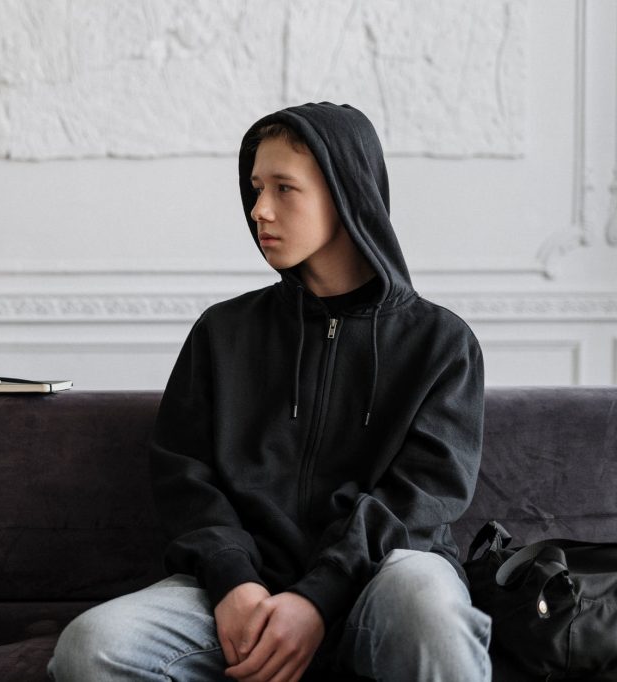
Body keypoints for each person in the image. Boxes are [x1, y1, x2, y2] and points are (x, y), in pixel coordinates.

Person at [49, 103, 490, 681]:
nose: (260, 210)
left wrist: (317, 599)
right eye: (256, 188)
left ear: (346, 194)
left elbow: (420, 501)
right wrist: (234, 581)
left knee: (426, 599)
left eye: (286, 189)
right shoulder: (223, 332)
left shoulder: (440, 343)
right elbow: (185, 475)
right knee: (92, 647)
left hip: (377, 583)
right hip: (243, 594)